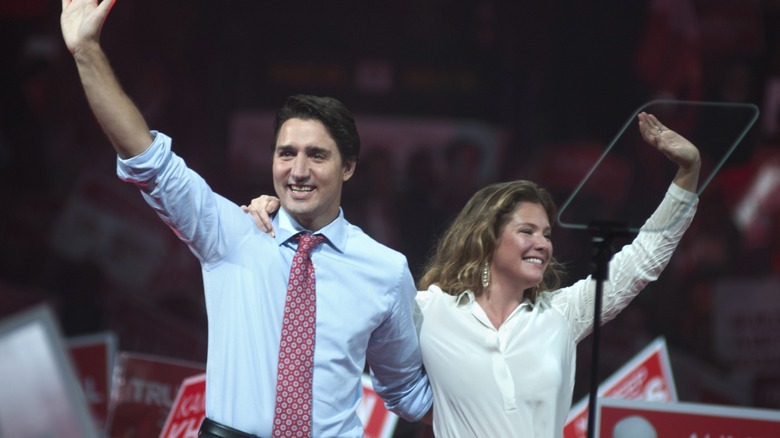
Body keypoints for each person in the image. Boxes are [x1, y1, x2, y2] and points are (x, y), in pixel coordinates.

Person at [59, 0, 432, 437]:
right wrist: (86, 51)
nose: (298, 170)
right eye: (286, 153)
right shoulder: (232, 234)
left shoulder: (385, 270)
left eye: (317, 155)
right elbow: (148, 161)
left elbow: (407, 391)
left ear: (348, 166)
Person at [247, 112, 701, 437]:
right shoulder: (428, 311)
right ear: (487, 237)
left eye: (546, 233)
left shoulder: (562, 314)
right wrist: (277, 214)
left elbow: (642, 259)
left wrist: (688, 172)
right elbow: (342, 290)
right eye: (527, 230)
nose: (542, 243)